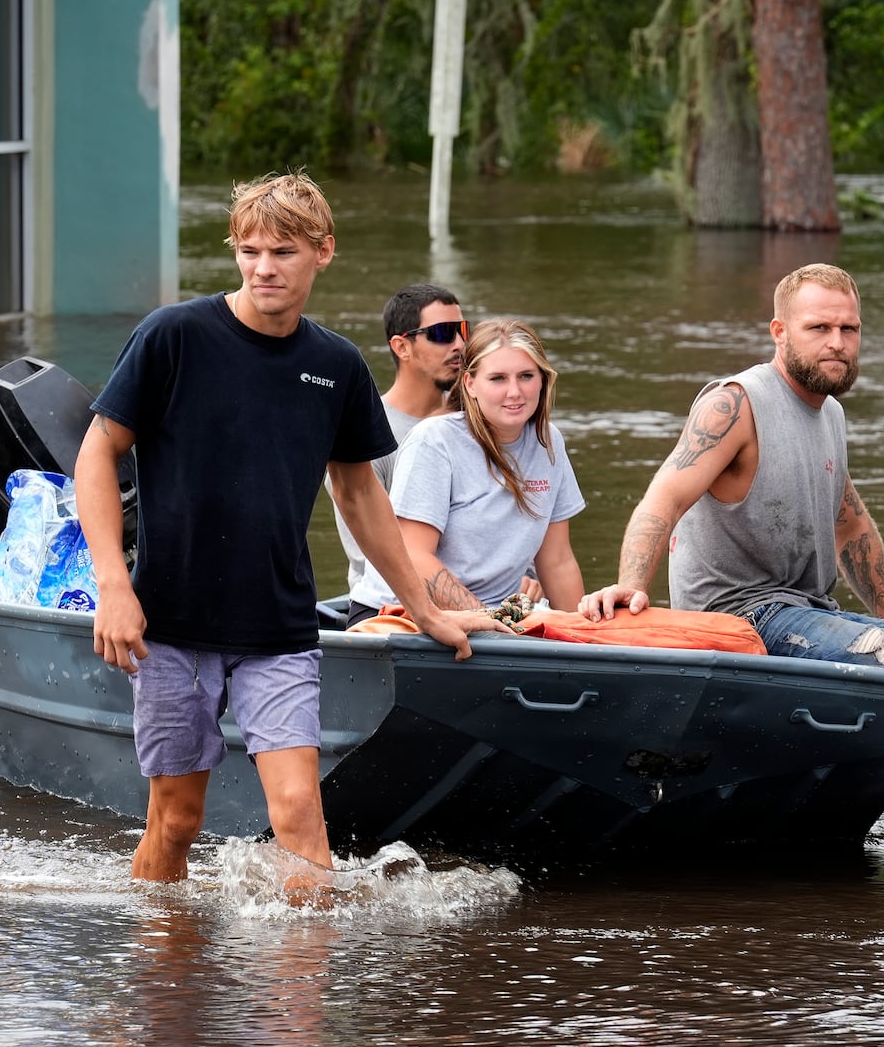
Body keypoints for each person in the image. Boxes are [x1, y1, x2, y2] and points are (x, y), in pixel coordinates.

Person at [73, 171, 504, 886]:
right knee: (176, 822)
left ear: (323, 251)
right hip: (169, 622)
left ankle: (298, 999)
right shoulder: (172, 336)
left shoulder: (333, 365)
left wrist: (426, 609)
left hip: (278, 624)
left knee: (301, 812)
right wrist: (113, 583)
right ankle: (163, 982)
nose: (263, 267)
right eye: (249, 251)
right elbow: (97, 452)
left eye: (282, 251)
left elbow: (360, 492)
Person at [578, 263, 884, 855]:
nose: (837, 343)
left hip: (807, 608)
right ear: (780, 331)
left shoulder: (830, 412)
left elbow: (851, 525)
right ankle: (828, 812)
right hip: (742, 614)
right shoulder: (736, 403)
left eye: (849, 329)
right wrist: (630, 584)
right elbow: (664, 497)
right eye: (819, 327)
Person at [347, 317, 586, 624]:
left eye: (526, 376)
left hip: (493, 618)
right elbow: (414, 555)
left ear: (543, 379)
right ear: (470, 384)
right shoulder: (435, 440)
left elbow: (557, 561)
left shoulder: (549, 441)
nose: (515, 391)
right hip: (397, 614)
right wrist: (487, 621)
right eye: (498, 378)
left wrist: (583, 636)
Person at [328, 283, 467, 597]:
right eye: (443, 333)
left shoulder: (479, 422)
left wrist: (527, 574)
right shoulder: (364, 432)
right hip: (396, 607)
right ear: (402, 347)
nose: (459, 345)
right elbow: (371, 560)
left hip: (485, 595)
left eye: (462, 331)